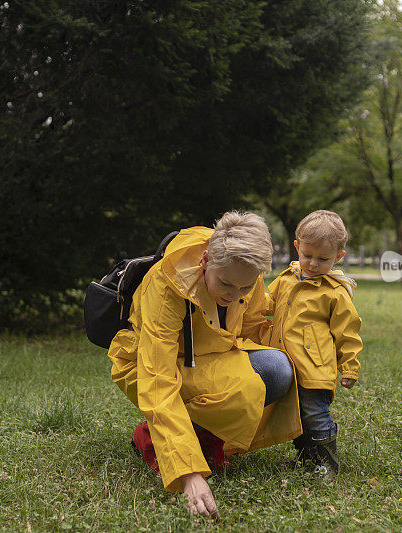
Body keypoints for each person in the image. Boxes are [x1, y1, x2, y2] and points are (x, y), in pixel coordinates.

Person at [107, 211, 302, 519]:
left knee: (280, 367)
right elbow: (157, 377)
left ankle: (192, 438)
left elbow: (250, 328)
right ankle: (163, 443)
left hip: (208, 360)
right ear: (207, 259)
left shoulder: (243, 268)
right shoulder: (167, 284)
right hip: (145, 367)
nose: (234, 295)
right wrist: (189, 475)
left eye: (245, 288)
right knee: (258, 379)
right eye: (225, 284)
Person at [263, 210, 362, 476]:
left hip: (315, 367)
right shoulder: (285, 279)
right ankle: (308, 458)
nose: (313, 263)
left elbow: (348, 332)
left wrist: (350, 367)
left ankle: (327, 462)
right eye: (307, 255)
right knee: (297, 415)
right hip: (286, 362)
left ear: (339, 257)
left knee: (315, 413)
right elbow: (265, 306)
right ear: (297, 247)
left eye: (323, 258)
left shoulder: (335, 293)